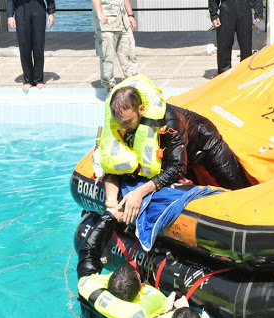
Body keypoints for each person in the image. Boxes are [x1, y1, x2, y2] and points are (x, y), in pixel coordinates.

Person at [100, 77, 252, 225]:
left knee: (240, 191)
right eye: (120, 123)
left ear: (141, 109)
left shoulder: (171, 121)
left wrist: (139, 192)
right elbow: (114, 164)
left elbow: (177, 168)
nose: (124, 128)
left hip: (206, 146)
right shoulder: (122, 125)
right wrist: (112, 203)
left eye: (127, 122)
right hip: (176, 158)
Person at [7, 0, 55, 91]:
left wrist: (51, 12)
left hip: (38, 8)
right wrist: (10, 15)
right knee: (24, 45)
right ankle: (28, 79)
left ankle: (38, 79)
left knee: (39, 45)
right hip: (21, 10)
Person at [92, 0, 138, 92]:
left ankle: (132, 84)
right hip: (106, 21)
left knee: (129, 53)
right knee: (107, 56)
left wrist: (130, 14)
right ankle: (109, 87)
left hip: (123, 20)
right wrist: (99, 13)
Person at [208, 0, 264, 74]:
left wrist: (258, 13)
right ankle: (224, 72)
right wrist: (214, 15)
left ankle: (245, 71)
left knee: (246, 44)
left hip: (244, 10)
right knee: (224, 44)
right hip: (226, 10)